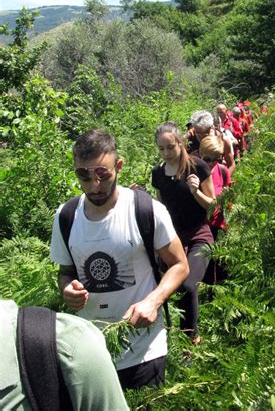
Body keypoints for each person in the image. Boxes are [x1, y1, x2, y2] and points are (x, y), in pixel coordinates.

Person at [50, 129, 189, 391]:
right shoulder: (66, 216)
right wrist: (66, 288)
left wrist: (153, 301)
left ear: (119, 166)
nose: (95, 186)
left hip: (144, 347)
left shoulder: (146, 210)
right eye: (84, 176)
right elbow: (66, 271)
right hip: (90, 350)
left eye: (103, 174)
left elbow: (180, 265)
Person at [0, 298, 129, 411]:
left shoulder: (72, 346)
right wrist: (67, 287)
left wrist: (150, 302)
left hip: (136, 353)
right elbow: (66, 274)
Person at [152, 122, 216, 344]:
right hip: (174, 238)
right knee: (169, 284)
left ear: (181, 143)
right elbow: (161, 209)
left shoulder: (198, 167)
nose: (166, 153)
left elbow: (212, 205)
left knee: (187, 284)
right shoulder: (158, 174)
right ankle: (170, 333)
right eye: (161, 148)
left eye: (170, 147)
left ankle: (191, 338)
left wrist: (195, 191)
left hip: (200, 234)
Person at [188, 110, 236, 176]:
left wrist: (225, 180)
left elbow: (231, 164)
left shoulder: (223, 140)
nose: (201, 137)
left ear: (211, 128)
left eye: (204, 134)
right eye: (198, 133)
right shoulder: (191, 139)